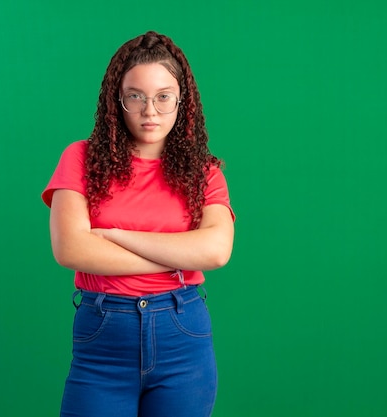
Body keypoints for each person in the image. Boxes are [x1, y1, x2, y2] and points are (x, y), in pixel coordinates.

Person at [41, 31, 235, 417]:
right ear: (117, 100)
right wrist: (179, 257)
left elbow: (215, 251)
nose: (150, 111)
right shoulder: (80, 158)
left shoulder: (204, 172)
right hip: (103, 335)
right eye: (136, 96)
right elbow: (71, 249)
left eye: (164, 97)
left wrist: (115, 236)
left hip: (183, 335)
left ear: (183, 102)